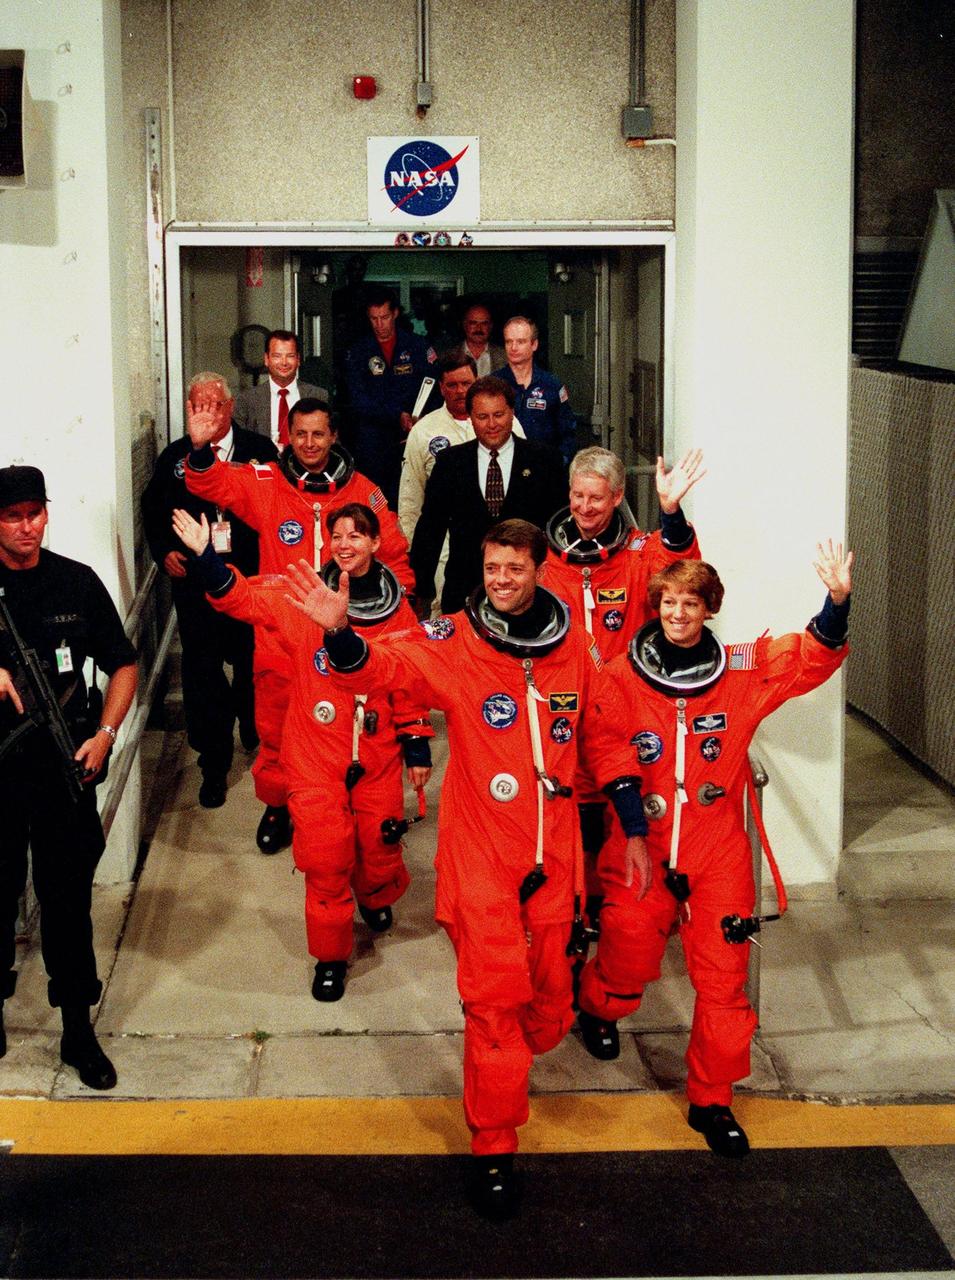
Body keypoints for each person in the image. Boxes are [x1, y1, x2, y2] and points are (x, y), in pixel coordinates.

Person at [285, 519, 604, 1220]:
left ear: (540, 571)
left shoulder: (574, 646)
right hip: (484, 856)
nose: (500, 579)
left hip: (554, 857)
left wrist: (630, 827)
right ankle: (493, 1144)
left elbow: (601, 734)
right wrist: (340, 634)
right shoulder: (456, 640)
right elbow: (386, 668)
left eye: (513, 569)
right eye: (491, 568)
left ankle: (519, 1051)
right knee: (495, 1011)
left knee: (548, 1013)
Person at [579, 543, 853, 1158]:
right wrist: (631, 830)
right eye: (669, 602)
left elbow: (806, 658)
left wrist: (836, 604)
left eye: (690, 604)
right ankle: (597, 1008)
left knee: (725, 985)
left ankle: (712, 1099)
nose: (678, 614)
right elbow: (607, 746)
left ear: (709, 610)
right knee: (624, 957)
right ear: (657, 607)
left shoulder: (738, 671)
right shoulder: (622, 674)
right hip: (640, 844)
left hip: (717, 851)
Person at [171, 503, 432, 1002]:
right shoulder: (302, 599)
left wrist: (416, 741)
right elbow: (241, 599)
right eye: (337, 535)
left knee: (378, 849)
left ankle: (375, 894)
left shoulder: (398, 612)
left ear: (377, 544)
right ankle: (331, 956)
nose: (345, 544)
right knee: (325, 857)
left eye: (357, 535)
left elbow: (410, 682)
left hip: (376, 756)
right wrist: (206, 557)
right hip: (316, 756)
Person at [184, 394, 411, 854]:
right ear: (288, 436)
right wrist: (202, 448)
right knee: (275, 728)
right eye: (301, 434)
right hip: (279, 634)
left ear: (334, 437)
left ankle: (339, 803)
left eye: (318, 434)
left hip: (342, 637)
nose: (309, 443)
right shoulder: (268, 482)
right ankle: (277, 803)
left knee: (344, 728)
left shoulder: (364, 491)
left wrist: (396, 620)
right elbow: (215, 484)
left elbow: (394, 559)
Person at [0, 465, 137, 1088]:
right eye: (12, 516)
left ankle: (78, 1031)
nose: (27, 526)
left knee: (67, 906)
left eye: (35, 512)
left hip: (61, 772)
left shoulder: (74, 583)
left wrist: (105, 735)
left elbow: (124, 664)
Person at [142, 371, 278, 807]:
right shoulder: (176, 458)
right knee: (203, 673)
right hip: (198, 584)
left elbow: (279, 511)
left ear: (231, 407)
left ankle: (252, 724)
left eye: (214, 405)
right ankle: (214, 763)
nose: (206, 414)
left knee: (251, 663)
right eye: (197, 406)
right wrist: (163, 551)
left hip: (251, 581)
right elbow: (153, 508)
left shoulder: (260, 451)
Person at [410, 376, 565, 615]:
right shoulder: (450, 464)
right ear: (471, 418)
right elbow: (430, 531)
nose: (491, 424)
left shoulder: (545, 461)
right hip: (463, 594)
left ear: (512, 413)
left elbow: (558, 530)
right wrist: (420, 590)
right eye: (482, 417)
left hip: (527, 595)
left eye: (499, 415)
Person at [540, 446, 705, 661]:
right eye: (578, 495)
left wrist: (671, 512)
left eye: (596, 498)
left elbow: (683, 572)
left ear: (617, 496)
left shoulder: (639, 553)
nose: (585, 507)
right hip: (566, 682)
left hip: (624, 682)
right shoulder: (543, 556)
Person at [344, 286, 436, 506]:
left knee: (414, 495)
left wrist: (422, 418)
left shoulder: (416, 346)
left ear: (395, 313)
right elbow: (357, 399)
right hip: (374, 439)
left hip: (415, 432)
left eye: (384, 317)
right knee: (375, 499)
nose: (379, 324)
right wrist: (396, 415)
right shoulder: (359, 351)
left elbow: (433, 387)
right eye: (373, 318)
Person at [494, 316, 576, 465]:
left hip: (544, 469)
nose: (513, 347)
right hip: (504, 467)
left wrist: (560, 462)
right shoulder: (493, 384)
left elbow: (567, 433)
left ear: (534, 344)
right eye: (508, 341)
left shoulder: (551, 384)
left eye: (521, 341)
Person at [232, 330, 328, 448]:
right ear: (266, 359)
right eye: (277, 356)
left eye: (290, 356)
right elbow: (239, 444)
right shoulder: (246, 399)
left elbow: (330, 441)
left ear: (298, 359)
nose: (284, 362)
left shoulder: (318, 396)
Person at [446, 302, 505, 378]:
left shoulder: (504, 357)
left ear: (490, 326)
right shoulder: (449, 356)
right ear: (464, 325)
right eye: (473, 323)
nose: (479, 328)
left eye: (484, 323)